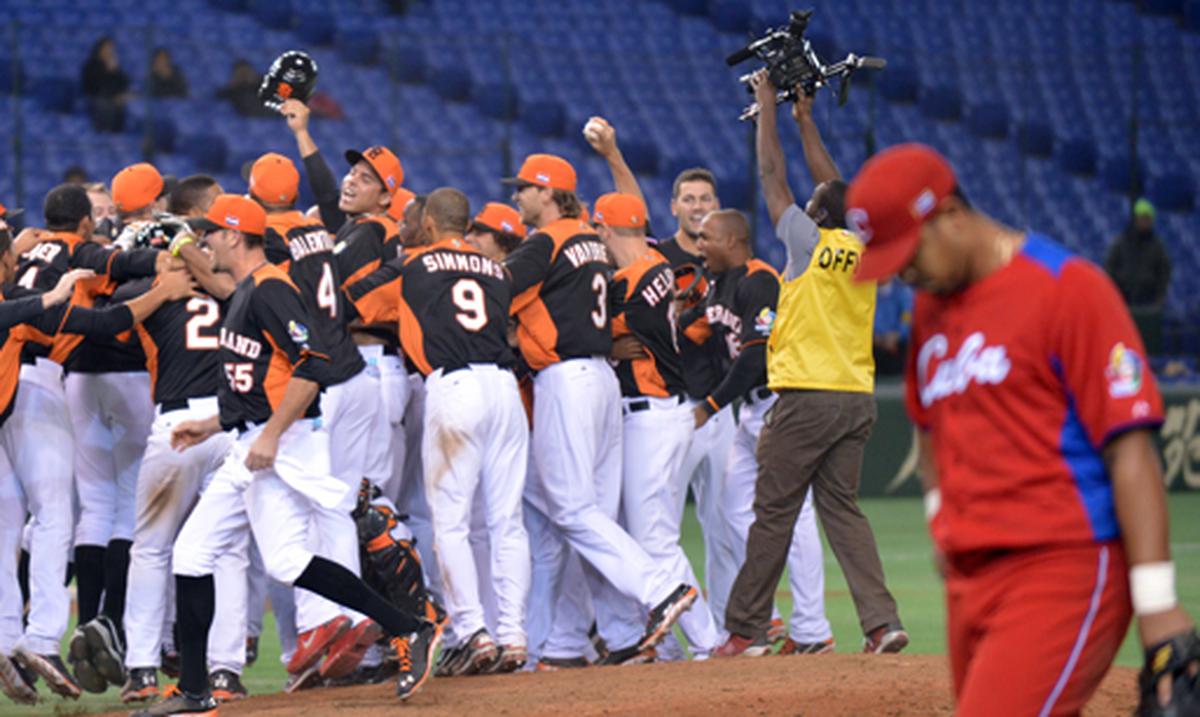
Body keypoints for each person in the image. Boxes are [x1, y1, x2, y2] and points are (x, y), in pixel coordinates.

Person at [847, 143, 1199, 715]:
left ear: (952, 217)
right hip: (973, 578)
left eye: (910, 252)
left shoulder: (1068, 289)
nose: (905, 272)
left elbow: (1131, 450)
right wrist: (941, 517)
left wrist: (1157, 603)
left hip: (1064, 563)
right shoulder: (933, 311)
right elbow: (929, 427)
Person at [134, 194, 440, 717]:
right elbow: (259, 383)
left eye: (212, 232)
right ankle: (193, 689)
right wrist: (208, 426)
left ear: (234, 236)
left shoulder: (272, 288)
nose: (205, 240)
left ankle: (409, 625)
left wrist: (272, 436)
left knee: (282, 558)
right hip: (251, 440)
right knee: (200, 555)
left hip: (285, 443)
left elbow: (312, 362)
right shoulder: (246, 291)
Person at [717, 73, 906, 658]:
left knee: (773, 511)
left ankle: (745, 629)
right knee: (842, 511)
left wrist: (768, 109)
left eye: (815, 201)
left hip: (805, 396)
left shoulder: (808, 241)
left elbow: (773, 176)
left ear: (819, 213)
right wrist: (806, 119)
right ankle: (882, 625)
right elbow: (835, 185)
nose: (808, 198)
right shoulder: (867, 248)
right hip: (856, 397)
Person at [502, 153, 697, 667]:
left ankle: (660, 590)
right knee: (595, 515)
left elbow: (494, 290)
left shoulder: (545, 241)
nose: (517, 195)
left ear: (548, 193)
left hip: (566, 381)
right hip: (604, 382)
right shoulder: (591, 239)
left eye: (524, 188)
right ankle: (623, 633)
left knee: (572, 511)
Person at [347, 187, 532, 675]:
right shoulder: (496, 269)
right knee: (506, 520)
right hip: (504, 389)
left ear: (428, 222)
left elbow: (355, 302)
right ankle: (513, 634)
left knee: (449, 522)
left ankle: (472, 631)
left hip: (455, 389)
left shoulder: (413, 265)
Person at [592, 191, 723, 662]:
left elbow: (593, 328)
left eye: (597, 230)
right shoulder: (655, 265)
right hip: (654, 412)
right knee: (641, 533)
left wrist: (604, 338)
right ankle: (668, 644)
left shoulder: (638, 275)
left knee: (655, 540)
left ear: (605, 229)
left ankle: (708, 642)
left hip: (654, 412)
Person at [1105, 198, 1171, 354]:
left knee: (1146, 346)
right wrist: (1115, 294)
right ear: (1135, 219)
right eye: (1142, 218)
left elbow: (1164, 272)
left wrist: (1159, 297)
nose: (1144, 222)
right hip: (1124, 301)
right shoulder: (1121, 243)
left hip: (1147, 303)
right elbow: (1110, 268)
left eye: (1148, 218)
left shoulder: (1157, 246)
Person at [80, 37, 131, 132]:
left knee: (128, 102)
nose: (109, 52)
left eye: (111, 49)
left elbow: (123, 83)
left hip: (113, 97)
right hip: (96, 97)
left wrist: (115, 71)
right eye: (106, 48)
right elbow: (95, 86)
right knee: (105, 104)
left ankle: (121, 135)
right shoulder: (91, 65)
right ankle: (106, 133)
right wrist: (110, 73)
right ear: (99, 49)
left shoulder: (113, 66)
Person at [873, 278, 913, 376]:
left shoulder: (902, 291)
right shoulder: (869, 293)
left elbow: (907, 317)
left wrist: (897, 335)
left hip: (897, 344)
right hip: (876, 344)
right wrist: (875, 337)